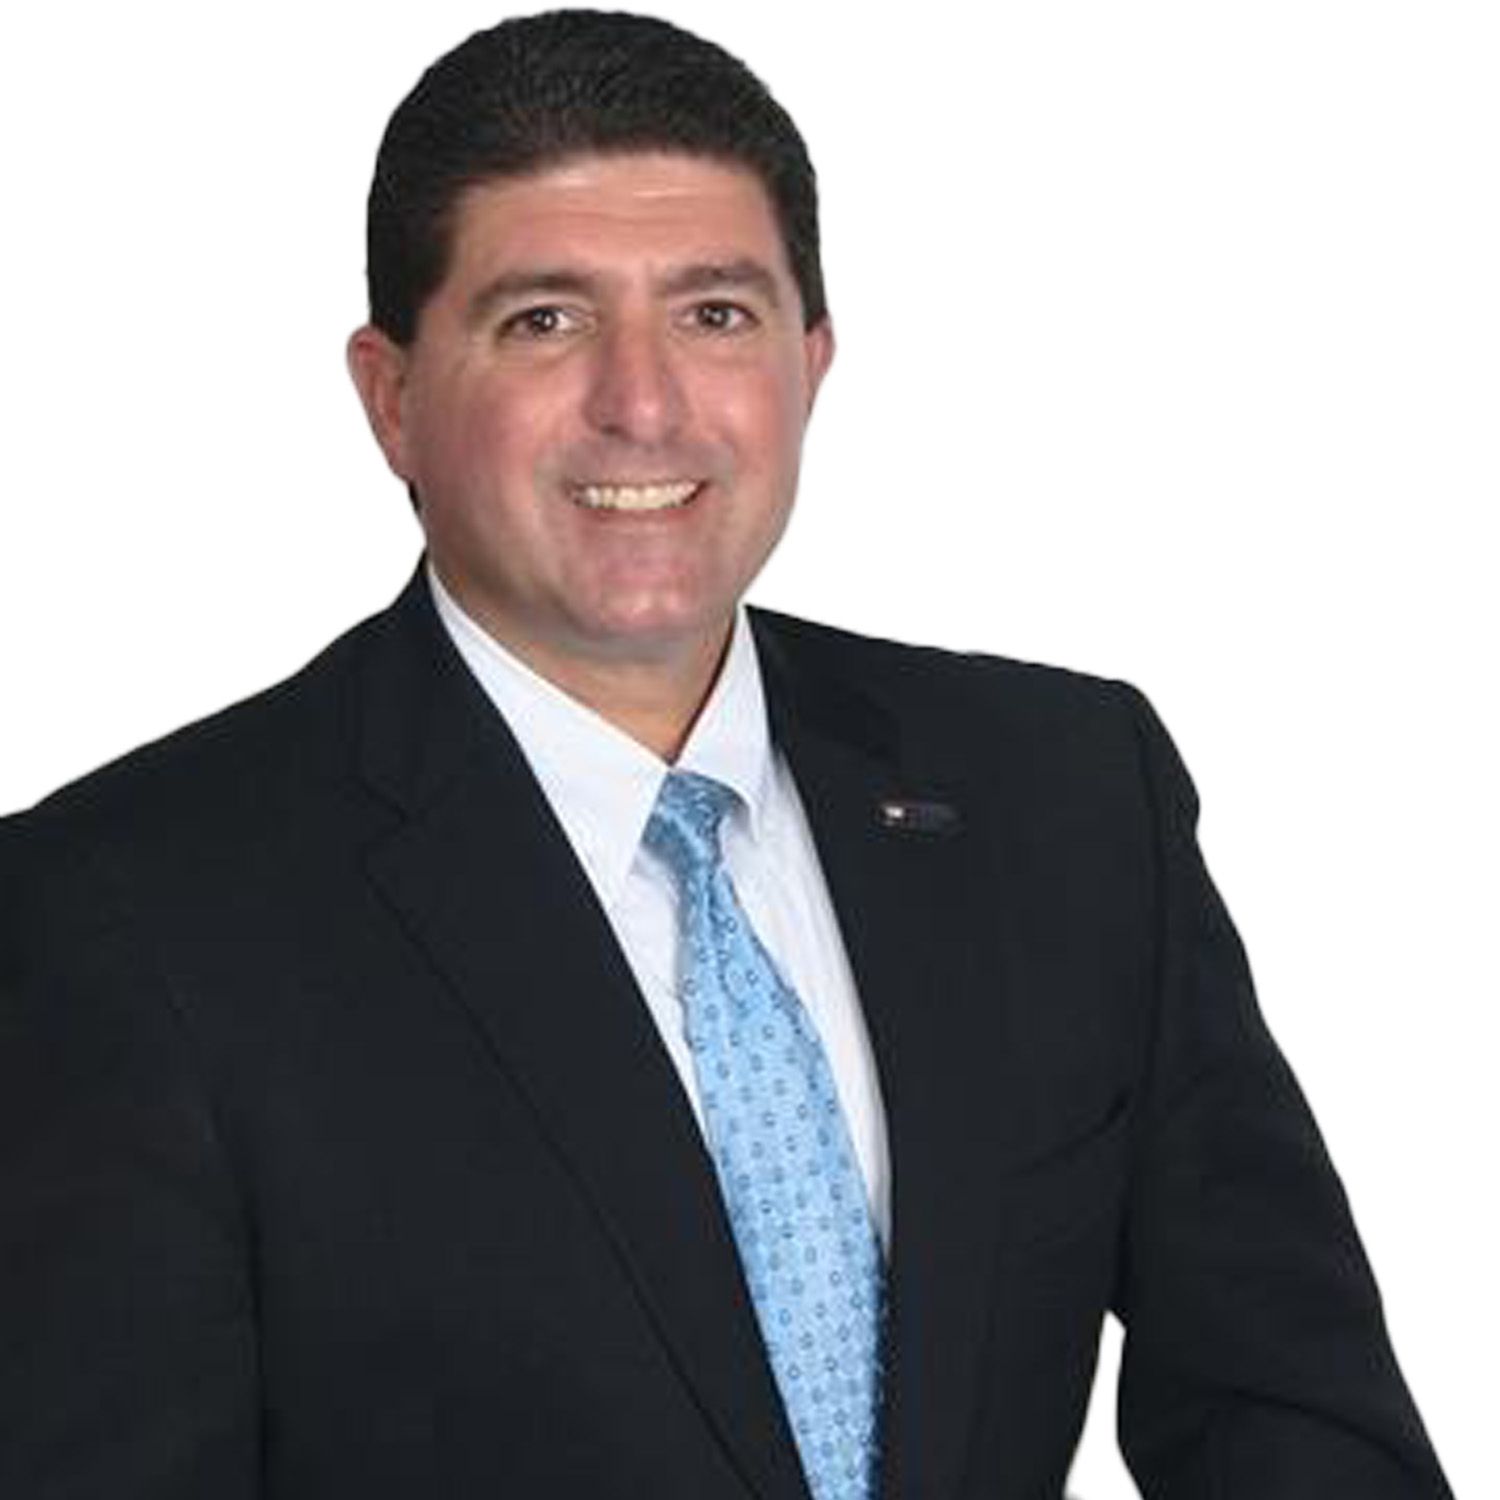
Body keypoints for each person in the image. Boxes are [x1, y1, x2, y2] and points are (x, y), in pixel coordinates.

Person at [0, 10, 1454, 1499]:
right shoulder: (127, 918)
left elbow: (1297, 1419)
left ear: (811, 364)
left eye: (715, 314)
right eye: (544, 321)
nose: (643, 404)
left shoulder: (1067, 800)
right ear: (393, 398)